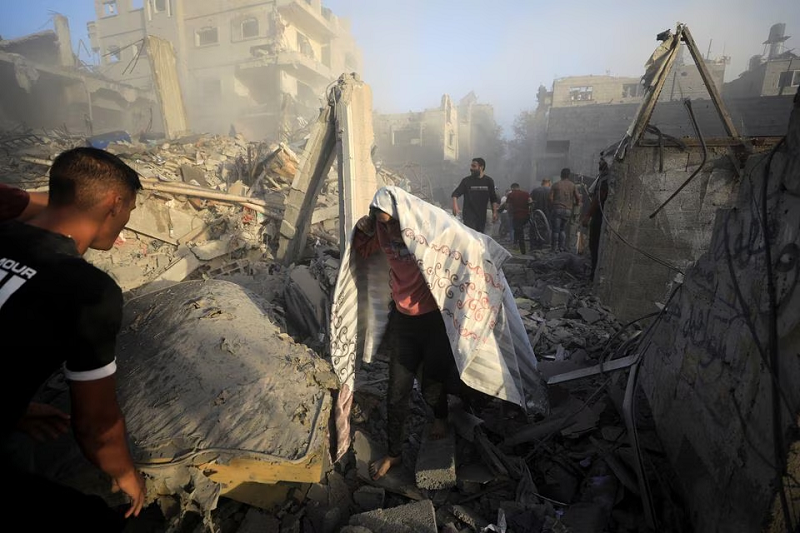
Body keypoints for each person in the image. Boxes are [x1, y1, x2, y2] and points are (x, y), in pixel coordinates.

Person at [0, 147, 147, 530]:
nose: (127, 221)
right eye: (130, 209)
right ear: (115, 204)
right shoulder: (88, 291)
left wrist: (16, 408)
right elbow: (95, 425)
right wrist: (127, 474)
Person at [353, 205, 462, 481]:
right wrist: (362, 228)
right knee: (396, 391)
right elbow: (362, 251)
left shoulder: (425, 233)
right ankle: (394, 452)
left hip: (434, 320)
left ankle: (441, 415)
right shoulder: (383, 234)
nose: (390, 230)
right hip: (403, 322)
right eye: (383, 224)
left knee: (432, 381)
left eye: (393, 223)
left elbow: (458, 241)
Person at [451, 157, 499, 234]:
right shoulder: (466, 181)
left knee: (479, 237)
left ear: (481, 167)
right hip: (468, 216)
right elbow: (455, 194)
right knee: (471, 236)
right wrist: (455, 206)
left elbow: (493, 198)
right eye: (471, 166)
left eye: (474, 166)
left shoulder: (489, 181)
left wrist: (495, 212)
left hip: (481, 215)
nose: (471, 168)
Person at [582, 157, 610, 282]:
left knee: (595, 245)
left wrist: (588, 215)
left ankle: (594, 275)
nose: (599, 163)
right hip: (603, 217)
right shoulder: (603, 178)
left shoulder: (605, 179)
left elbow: (598, 198)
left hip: (600, 217)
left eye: (601, 160)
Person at [549, 168, 581, 252]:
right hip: (568, 210)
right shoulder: (572, 185)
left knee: (556, 230)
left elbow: (550, 198)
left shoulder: (556, 184)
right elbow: (578, 198)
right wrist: (577, 204)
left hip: (557, 208)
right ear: (568, 175)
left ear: (561, 175)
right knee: (562, 230)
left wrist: (553, 205)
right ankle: (561, 247)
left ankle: (553, 248)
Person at [504, 183, 532, 255]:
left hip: (516, 216)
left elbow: (507, 206)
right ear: (519, 187)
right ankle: (515, 244)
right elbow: (530, 202)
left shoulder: (511, 195)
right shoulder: (526, 193)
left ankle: (523, 250)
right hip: (526, 216)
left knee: (519, 231)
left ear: (512, 188)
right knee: (518, 229)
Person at [529, 178, 551, 250]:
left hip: (537, 213)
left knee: (534, 229)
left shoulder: (535, 190)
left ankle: (533, 245)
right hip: (547, 213)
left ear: (542, 182)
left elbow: (529, 200)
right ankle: (542, 245)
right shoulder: (550, 191)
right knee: (545, 229)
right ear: (549, 183)